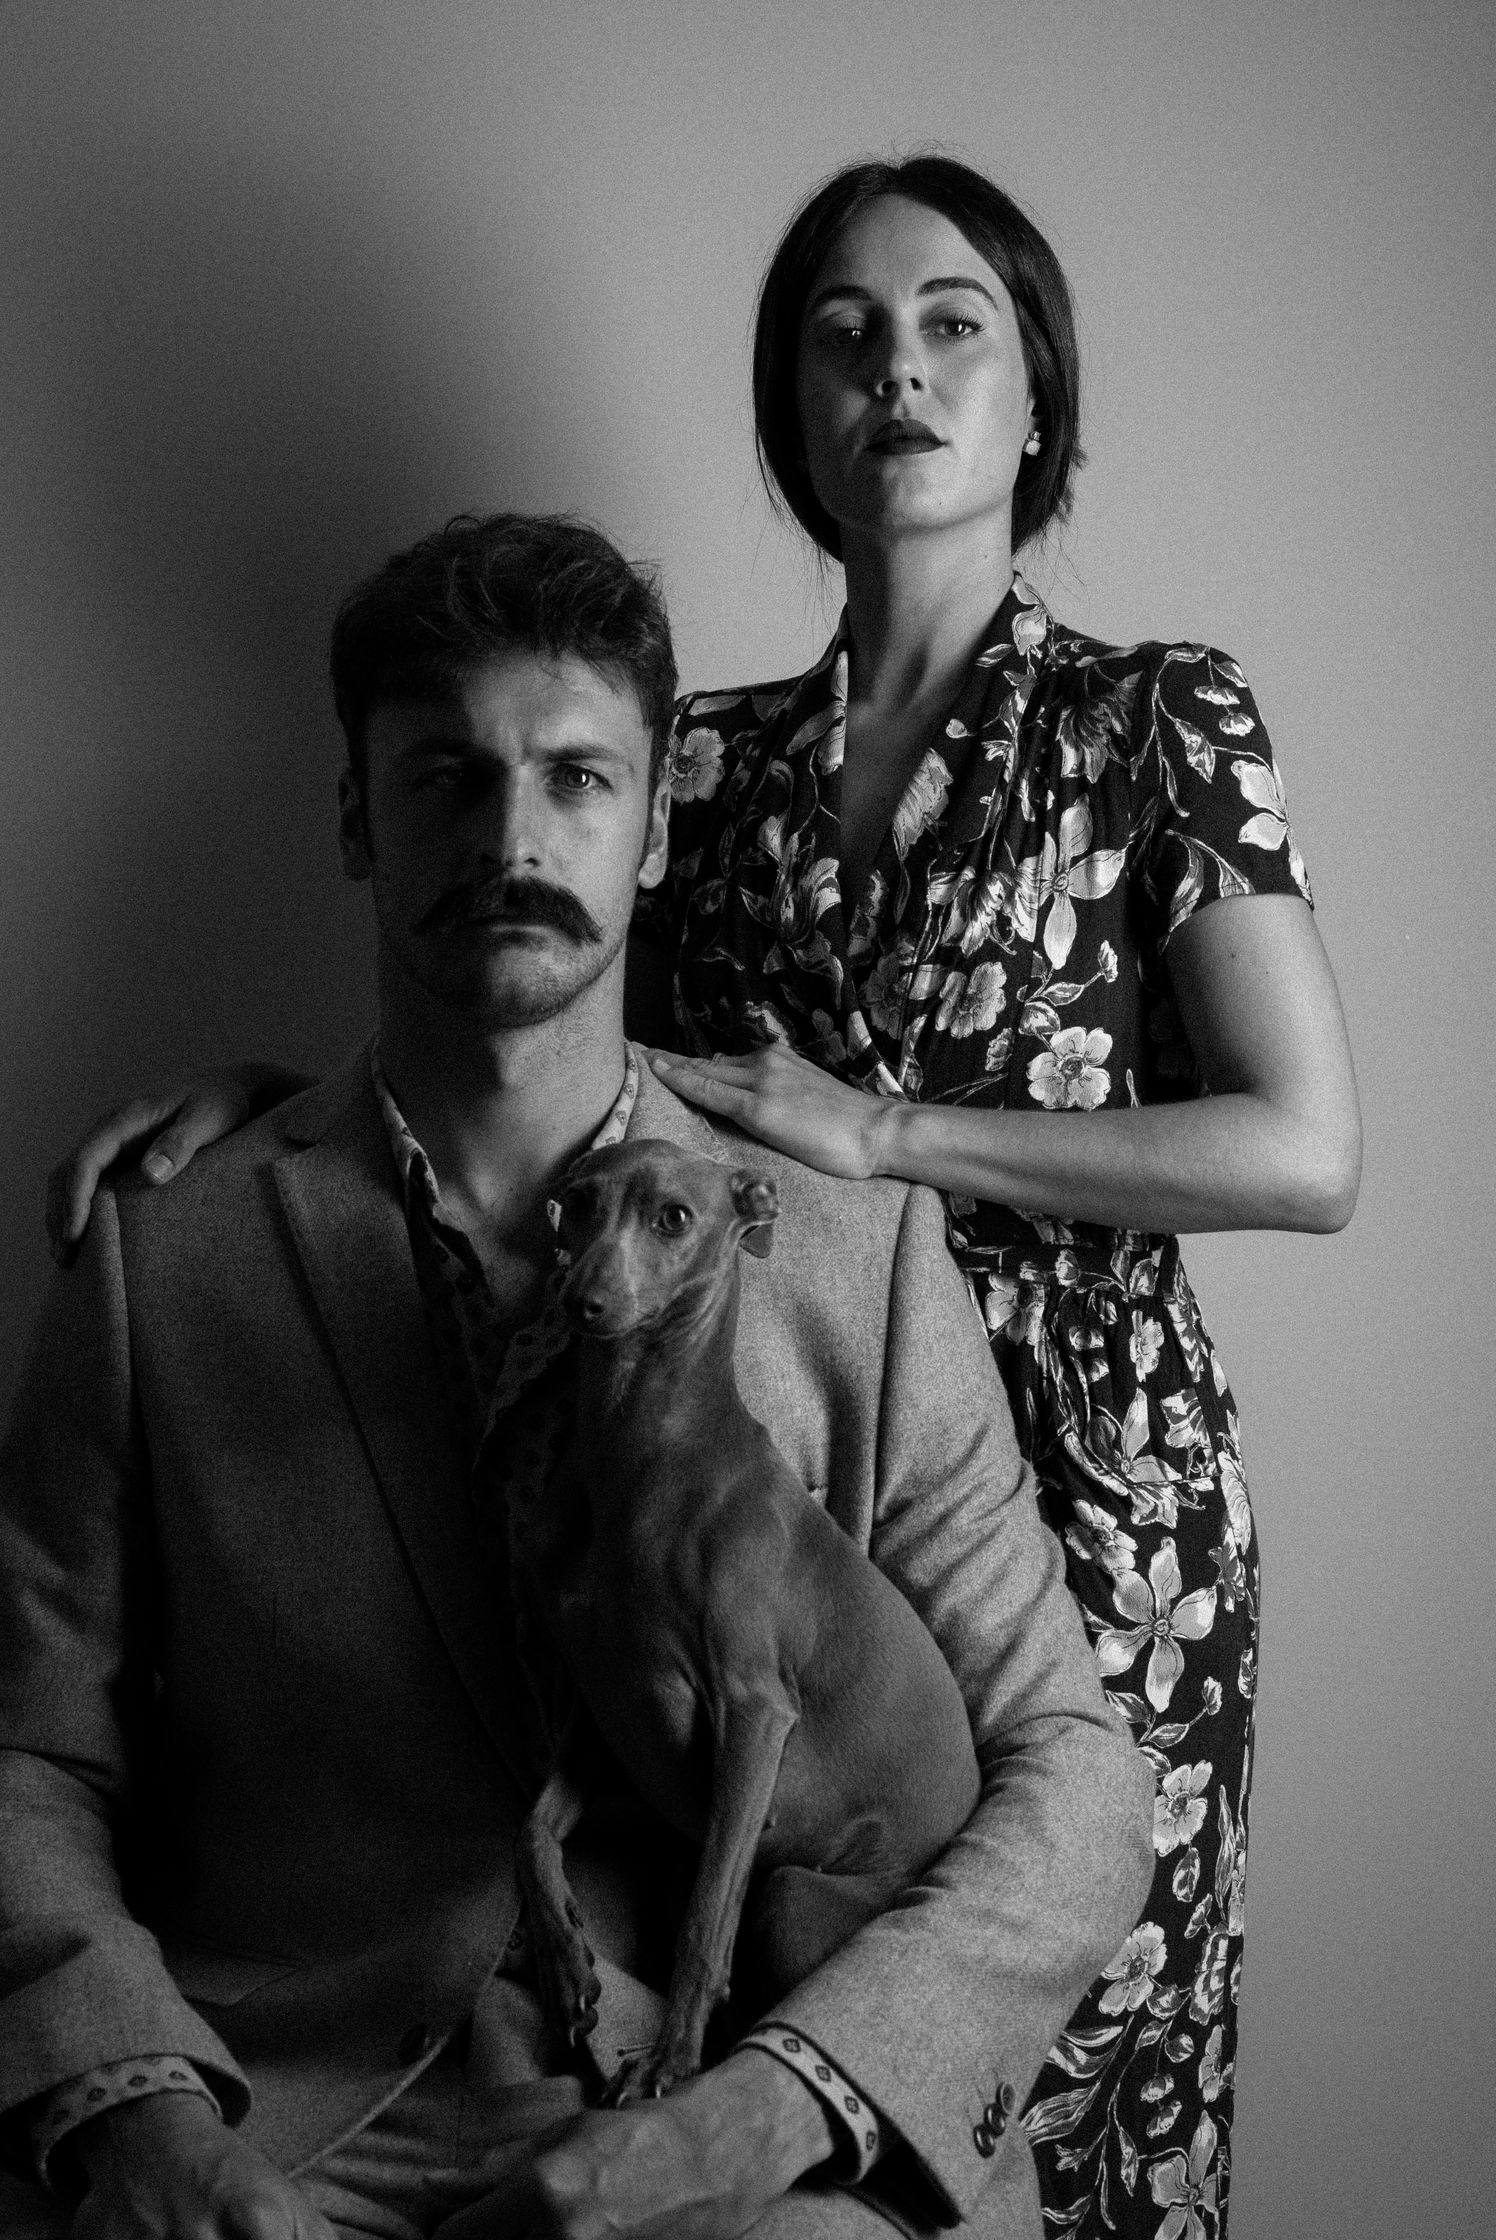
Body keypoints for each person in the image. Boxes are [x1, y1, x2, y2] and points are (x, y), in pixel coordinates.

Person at [43, 156, 1362, 2238]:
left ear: (1041, 390)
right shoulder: (716, 767)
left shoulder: (1150, 718)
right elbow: (534, 1025)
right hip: (719, 1406)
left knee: (1056, 2075)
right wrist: (286, 1123)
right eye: (843, 333)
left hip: (1069, 1492)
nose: (897, 370)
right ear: (789, 411)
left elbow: (1305, 1147)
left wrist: (887, 1141)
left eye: (954, 325)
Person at [1, 512, 1155, 2240]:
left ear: (659, 820)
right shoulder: (164, 1253)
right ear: (354, 818)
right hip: (281, 2128)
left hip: (739, 2124)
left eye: (577, 779)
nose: (512, 839)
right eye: (446, 780)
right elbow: (27, 1758)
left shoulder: (859, 1252)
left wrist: (767, 2113)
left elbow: (1077, 1775)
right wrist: (138, 2115)